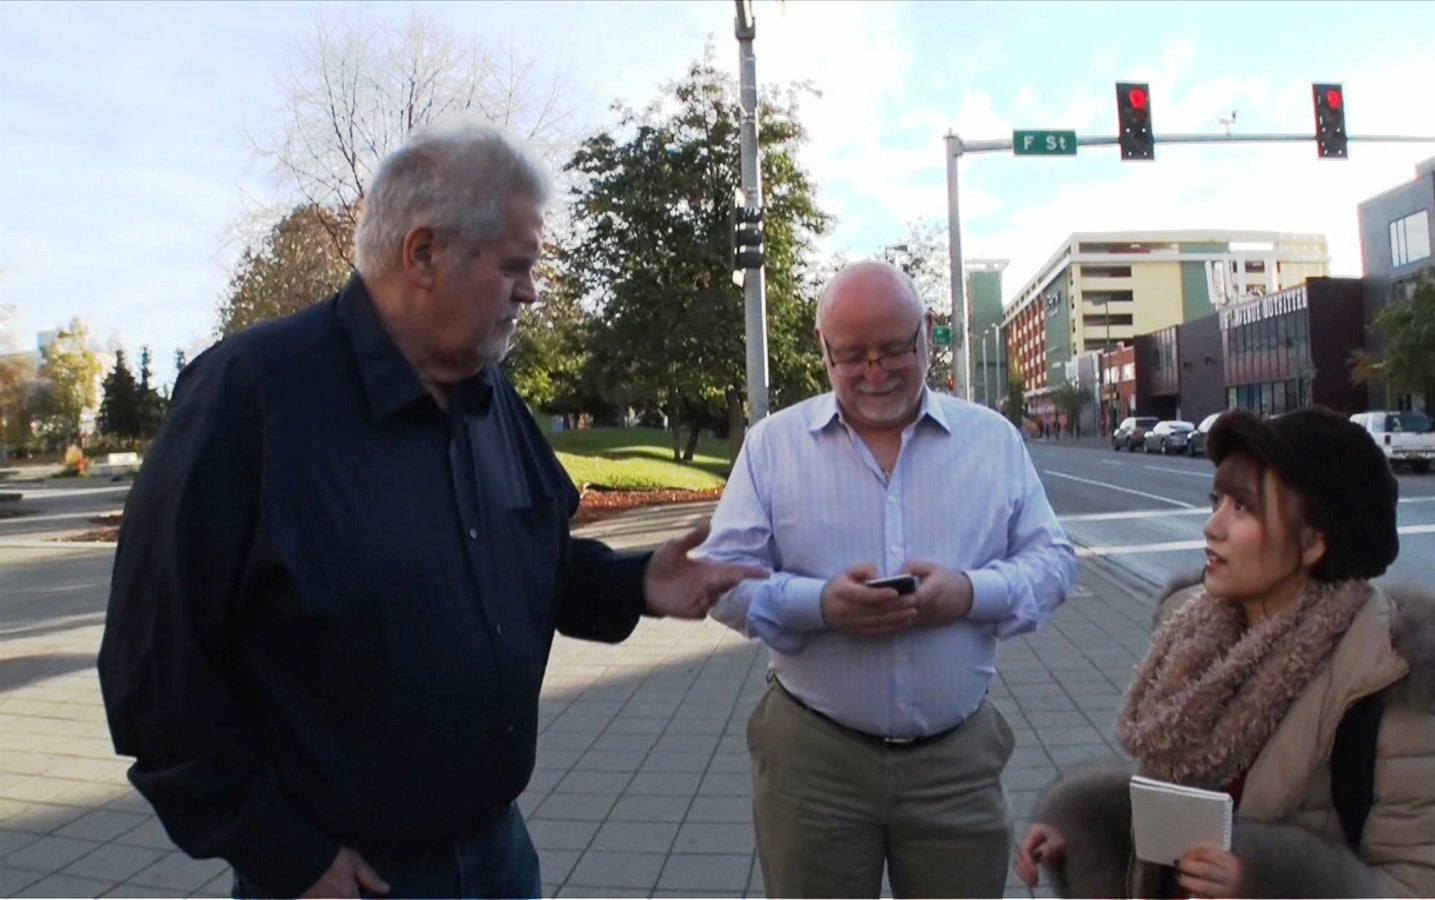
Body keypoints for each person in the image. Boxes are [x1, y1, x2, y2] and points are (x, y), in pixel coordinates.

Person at [97, 121, 765, 900]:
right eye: (515, 266)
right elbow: (155, 672)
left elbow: (531, 559)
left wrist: (638, 582)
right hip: (347, 878)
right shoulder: (249, 397)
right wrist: (281, 851)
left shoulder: (491, 397)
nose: (532, 290)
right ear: (422, 254)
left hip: (498, 858)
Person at [700, 260, 1078, 898]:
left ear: (926, 336)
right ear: (823, 351)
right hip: (814, 759)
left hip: (956, 762)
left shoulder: (992, 442)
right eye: (852, 356)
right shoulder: (773, 446)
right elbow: (721, 581)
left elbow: (1055, 564)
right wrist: (820, 605)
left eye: (894, 349)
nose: (875, 372)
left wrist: (967, 594)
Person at [1013, 406, 1435, 898]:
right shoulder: (1190, 632)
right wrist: (1087, 832)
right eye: (1218, 501)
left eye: (1244, 507)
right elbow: (1192, 817)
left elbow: (1425, 885)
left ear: (1314, 541)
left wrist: (1265, 884)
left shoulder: (1381, 677)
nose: (1213, 526)